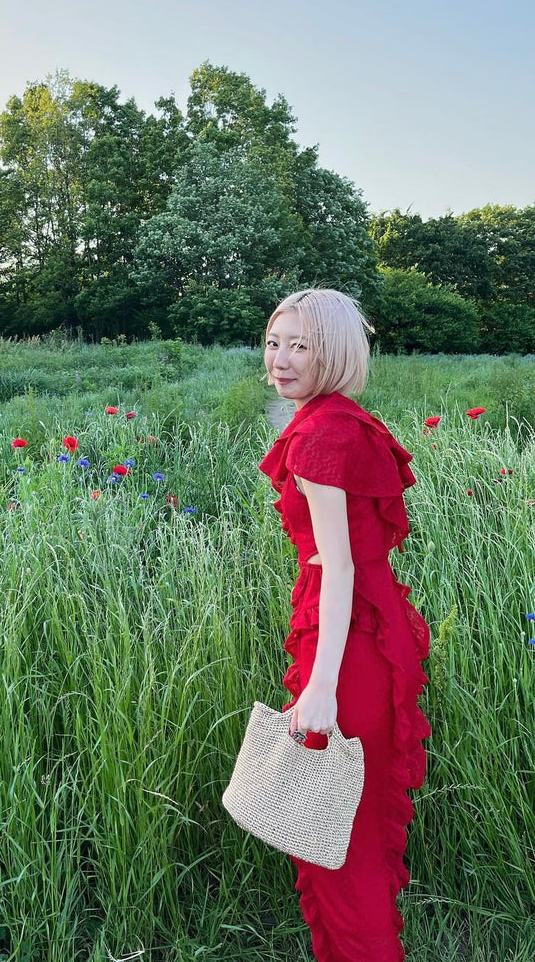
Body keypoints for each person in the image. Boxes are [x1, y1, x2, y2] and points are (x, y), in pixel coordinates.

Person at [258, 288, 430, 962]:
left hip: (348, 647)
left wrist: (322, 687)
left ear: (331, 352)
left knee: (336, 840)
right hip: (367, 633)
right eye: (275, 342)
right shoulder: (342, 420)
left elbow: (339, 573)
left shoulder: (321, 435)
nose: (281, 359)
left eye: (300, 345)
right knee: (345, 828)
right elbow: (351, 558)